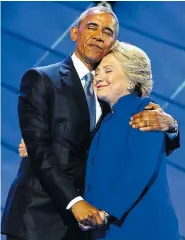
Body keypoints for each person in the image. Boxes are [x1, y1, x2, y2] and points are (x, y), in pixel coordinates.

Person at [1, 6, 179, 240]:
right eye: (92, 26)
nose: (99, 35)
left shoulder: (114, 96)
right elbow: (40, 148)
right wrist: (75, 202)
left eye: (108, 31)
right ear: (74, 33)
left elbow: (140, 150)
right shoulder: (42, 79)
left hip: (90, 224)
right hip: (40, 218)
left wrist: (172, 126)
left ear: (113, 43)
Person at [83, 41, 180, 239]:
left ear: (131, 79)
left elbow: (141, 167)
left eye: (108, 70)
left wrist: (106, 212)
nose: (98, 76)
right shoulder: (106, 119)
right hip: (109, 231)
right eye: (97, 72)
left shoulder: (145, 110)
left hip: (141, 229)